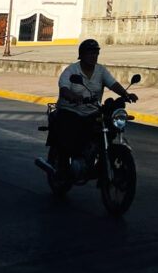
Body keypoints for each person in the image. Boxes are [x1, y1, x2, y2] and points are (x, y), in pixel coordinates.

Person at [54, 39, 137, 176]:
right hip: (71, 110)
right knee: (70, 134)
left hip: (92, 111)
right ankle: (64, 167)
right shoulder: (71, 70)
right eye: (90, 53)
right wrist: (72, 96)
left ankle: (101, 156)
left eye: (96, 53)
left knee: (108, 127)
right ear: (81, 55)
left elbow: (113, 84)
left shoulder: (100, 70)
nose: (93, 56)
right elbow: (64, 88)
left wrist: (126, 94)